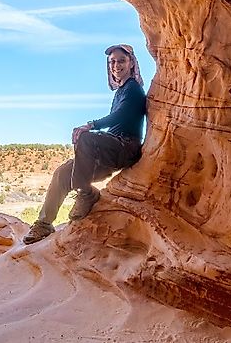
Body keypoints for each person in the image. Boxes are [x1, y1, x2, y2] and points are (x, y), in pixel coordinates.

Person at [23, 44, 147, 244]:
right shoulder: (120, 91)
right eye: (112, 62)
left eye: (121, 61)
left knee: (85, 137)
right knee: (63, 172)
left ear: (132, 63)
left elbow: (121, 116)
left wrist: (91, 125)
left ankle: (85, 192)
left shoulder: (133, 87)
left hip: (126, 147)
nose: (116, 65)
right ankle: (44, 224)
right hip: (112, 150)